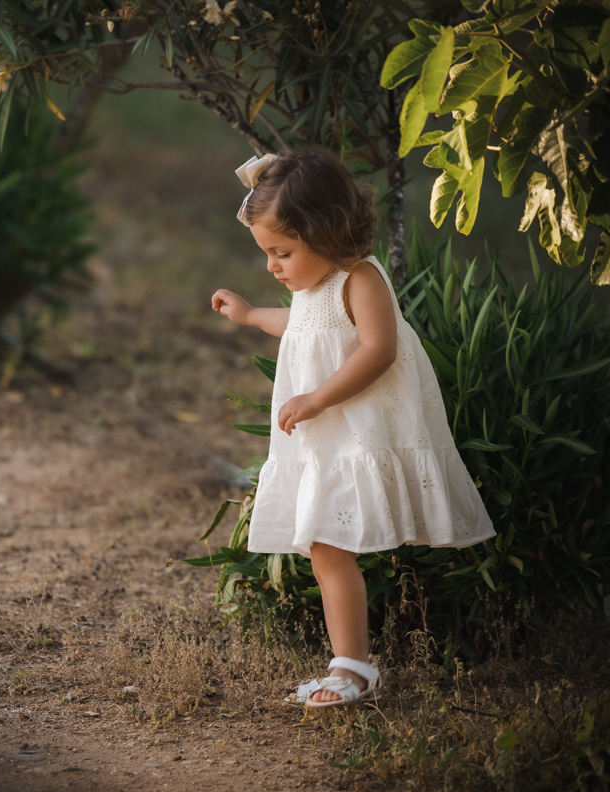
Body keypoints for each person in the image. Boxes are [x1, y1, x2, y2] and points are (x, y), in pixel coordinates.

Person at [211, 148, 496, 708]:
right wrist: (249, 316)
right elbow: (300, 327)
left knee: (325, 540)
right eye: (268, 253)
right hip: (325, 443)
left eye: (282, 252)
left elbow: (380, 349)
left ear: (327, 232)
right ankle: (352, 667)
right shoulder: (311, 285)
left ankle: (355, 669)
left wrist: (317, 397)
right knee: (322, 542)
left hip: (362, 436)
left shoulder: (360, 278)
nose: (273, 267)